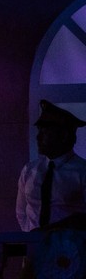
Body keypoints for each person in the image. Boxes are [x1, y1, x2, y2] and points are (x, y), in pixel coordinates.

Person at [16, 99, 86, 232]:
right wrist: (31, 235)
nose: (38, 137)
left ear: (64, 136)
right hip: (35, 242)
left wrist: (52, 232)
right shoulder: (29, 170)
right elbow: (21, 212)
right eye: (39, 131)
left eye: (45, 132)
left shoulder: (82, 172)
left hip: (69, 243)